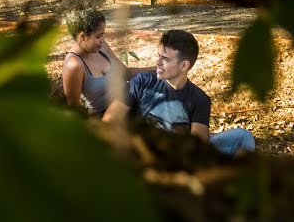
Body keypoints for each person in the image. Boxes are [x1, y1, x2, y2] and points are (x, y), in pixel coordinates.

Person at [102, 29, 255, 156]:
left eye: (165, 59)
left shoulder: (199, 100)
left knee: (244, 137)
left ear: (184, 66)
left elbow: (197, 150)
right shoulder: (142, 82)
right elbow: (109, 120)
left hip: (176, 154)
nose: (157, 62)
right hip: (142, 150)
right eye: (158, 55)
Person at [61, 7, 153, 117]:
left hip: (130, 103)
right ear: (82, 36)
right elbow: (73, 109)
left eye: (103, 34)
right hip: (107, 118)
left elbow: (125, 73)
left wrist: (156, 69)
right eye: (98, 36)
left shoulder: (102, 47)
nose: (102, 39)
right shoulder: (74, 65)